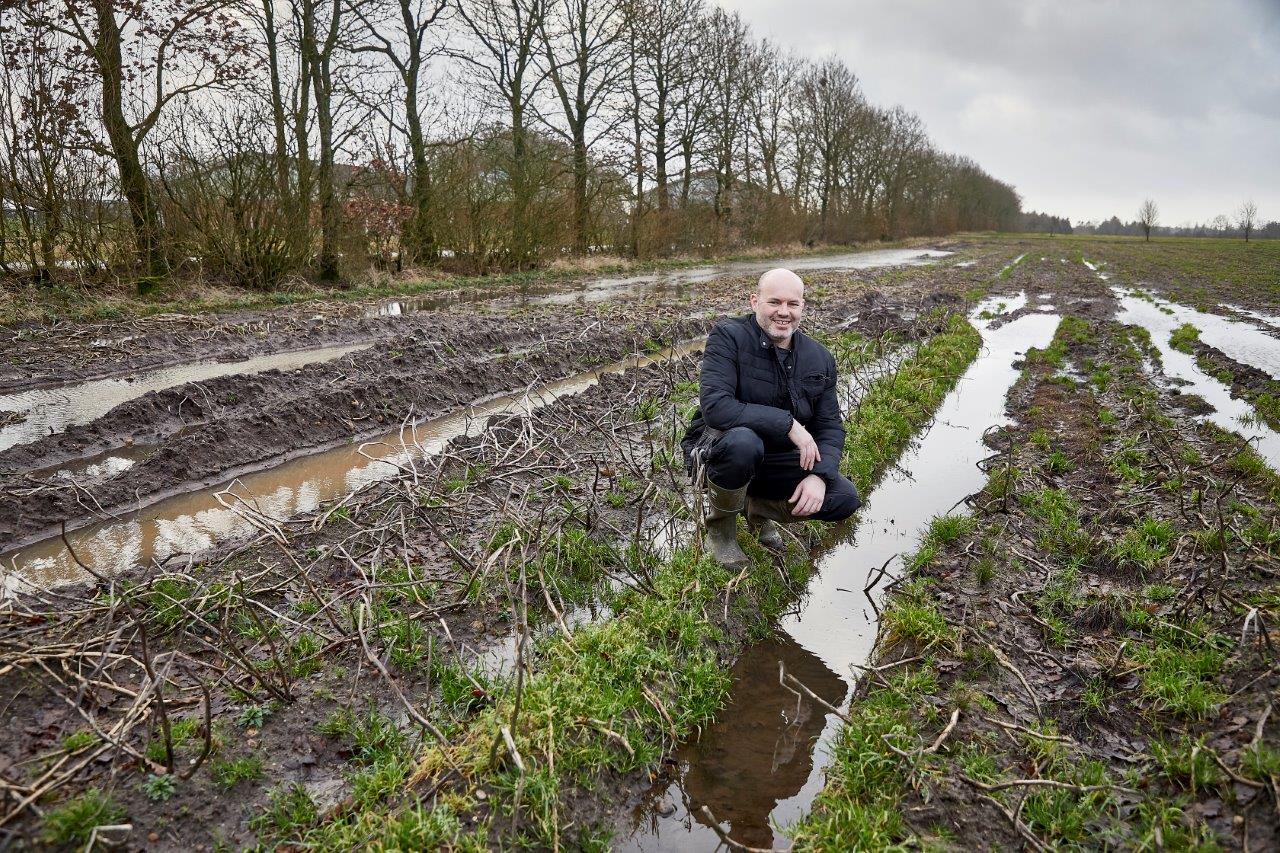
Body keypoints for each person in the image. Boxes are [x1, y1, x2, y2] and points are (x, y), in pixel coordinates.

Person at [681, 268, 861, 566]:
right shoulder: (728, 337)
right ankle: (722, 532)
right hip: (722, 450)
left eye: (792, 304)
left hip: (774, 459)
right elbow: (716, 407)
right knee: (744, 442)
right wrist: (788, 424)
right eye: (774, 302)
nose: (783, 312)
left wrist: (819, 475)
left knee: (843, 497)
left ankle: (758, 508)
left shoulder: (819, 357)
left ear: (803, 306)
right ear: (755, 302)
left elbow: (829, 426)